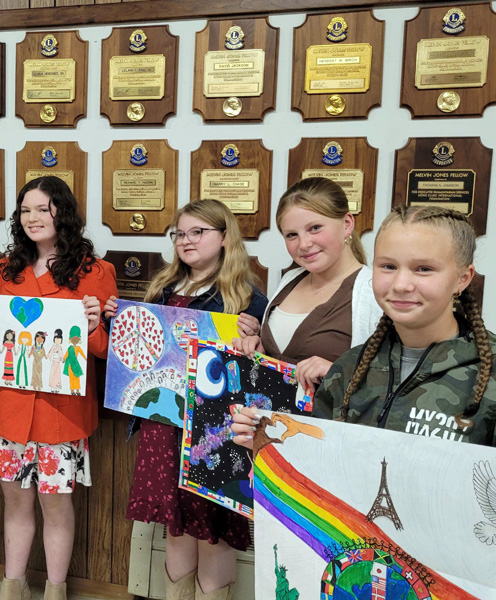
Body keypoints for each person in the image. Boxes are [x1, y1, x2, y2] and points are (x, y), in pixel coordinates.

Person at [0, 176, 117, 600]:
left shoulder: (97, 272)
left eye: (42, 209)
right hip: (7, 408)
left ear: (63, 212)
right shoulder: (7, 268)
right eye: (25, 210)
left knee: (56, 505)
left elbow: (105, 352)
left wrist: (95, 325)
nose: (32, 218)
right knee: (15, 503)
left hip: (61, 414)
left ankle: (55, 590)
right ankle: (13, 586)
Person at [105, 198, 268, 600]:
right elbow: (141, 355)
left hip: (216, 432)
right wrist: (117, 319)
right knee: (174, 525)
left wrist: (255, 342)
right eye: (180, 233)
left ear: (225, 236)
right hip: (163, 424)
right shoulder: (162, 288)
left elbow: (260, 374)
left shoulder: (246, 299)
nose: (186, 241)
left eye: (198, 232)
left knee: (212, 532)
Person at [232, 205, 495, 448]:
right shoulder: (348, 369)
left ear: (463, 278)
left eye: (423, 269)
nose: (401, 284)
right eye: (388, 266)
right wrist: (267, 446)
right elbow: (322, 465)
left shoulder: (488, 374)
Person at [233, 177, 381, 393]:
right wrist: (258, 348)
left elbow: (392, 386)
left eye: (315, 228)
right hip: (273, 423)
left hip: (330, 425)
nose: (304, 244)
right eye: (292, 235)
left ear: (347, 224)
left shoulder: (373, 291)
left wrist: (336, 374)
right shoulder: (290, 280)